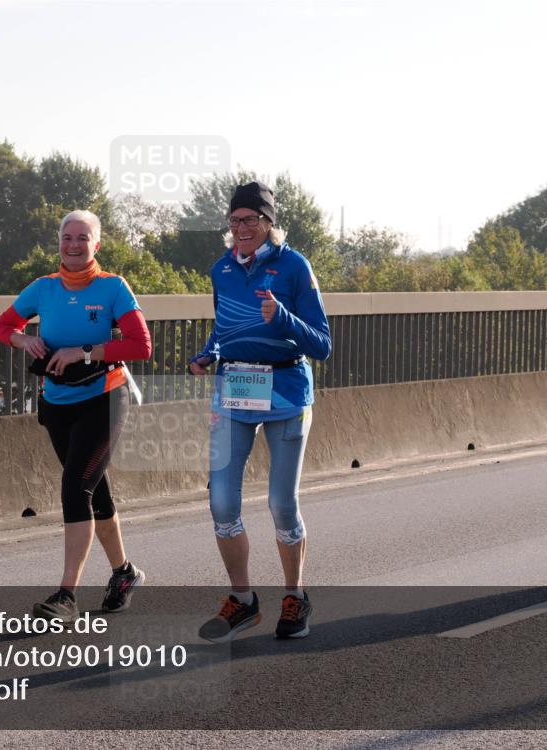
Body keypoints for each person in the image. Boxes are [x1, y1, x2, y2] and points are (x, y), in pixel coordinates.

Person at [189, 181, 332, 642]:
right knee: (222, 502)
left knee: (280, 503)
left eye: (251, 220)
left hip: (287, 393)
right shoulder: (221, 270)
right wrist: (208, 353)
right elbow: (223, 327)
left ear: (269, 223)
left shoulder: (294, 265)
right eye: (234, 221)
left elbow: (323, 344)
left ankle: (295, 596)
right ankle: (244, 600)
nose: (242, 229)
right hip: (235, 392)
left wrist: (283, 318)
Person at [0, 209, 152, 621]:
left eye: (83, 238)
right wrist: (22, 339)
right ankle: (124, 572)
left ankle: (66, 594)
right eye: (67, 237)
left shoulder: (113, 288)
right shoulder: (43, 289)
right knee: (93, 491)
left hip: (105, 397)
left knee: (75, 488)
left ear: (96, 245)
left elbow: (140, 345)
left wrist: (83, 352)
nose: (74, 244)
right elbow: (2, 326)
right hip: (57, 403)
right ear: (59, 242)